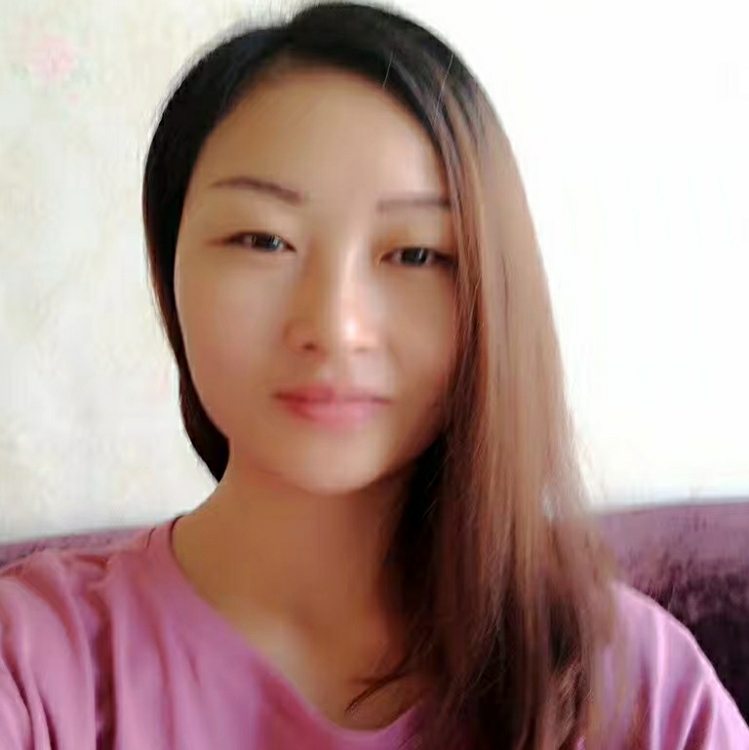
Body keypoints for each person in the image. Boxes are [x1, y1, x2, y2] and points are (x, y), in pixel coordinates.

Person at [0, 3, 746, 749]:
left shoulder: (633, 687)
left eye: (416, 254)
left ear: (492, 296)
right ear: (170, 270)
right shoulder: (35, 663)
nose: (335, 326)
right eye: (263, 240)